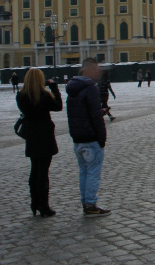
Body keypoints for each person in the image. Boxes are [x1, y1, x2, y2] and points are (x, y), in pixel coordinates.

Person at [66, 57, 111, 216]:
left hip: (78, 138)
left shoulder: (72, 88)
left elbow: (73, 114)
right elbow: (95, 117)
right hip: (91, 138)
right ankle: (91, 205)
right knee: (93, 172)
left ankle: (86, 201)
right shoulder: (91, 88)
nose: (98, 72)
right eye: (95, 69)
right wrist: (102, 138)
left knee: (84, 172)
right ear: (85, 70)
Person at [16, 69, 63, 217]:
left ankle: (34, 202)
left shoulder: (21, 96)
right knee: (43, 173)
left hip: (31, 135)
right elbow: (58, 106)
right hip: (44, 135)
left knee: (34, 170)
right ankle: (44, 205)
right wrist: (54, 88)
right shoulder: (43, 95)